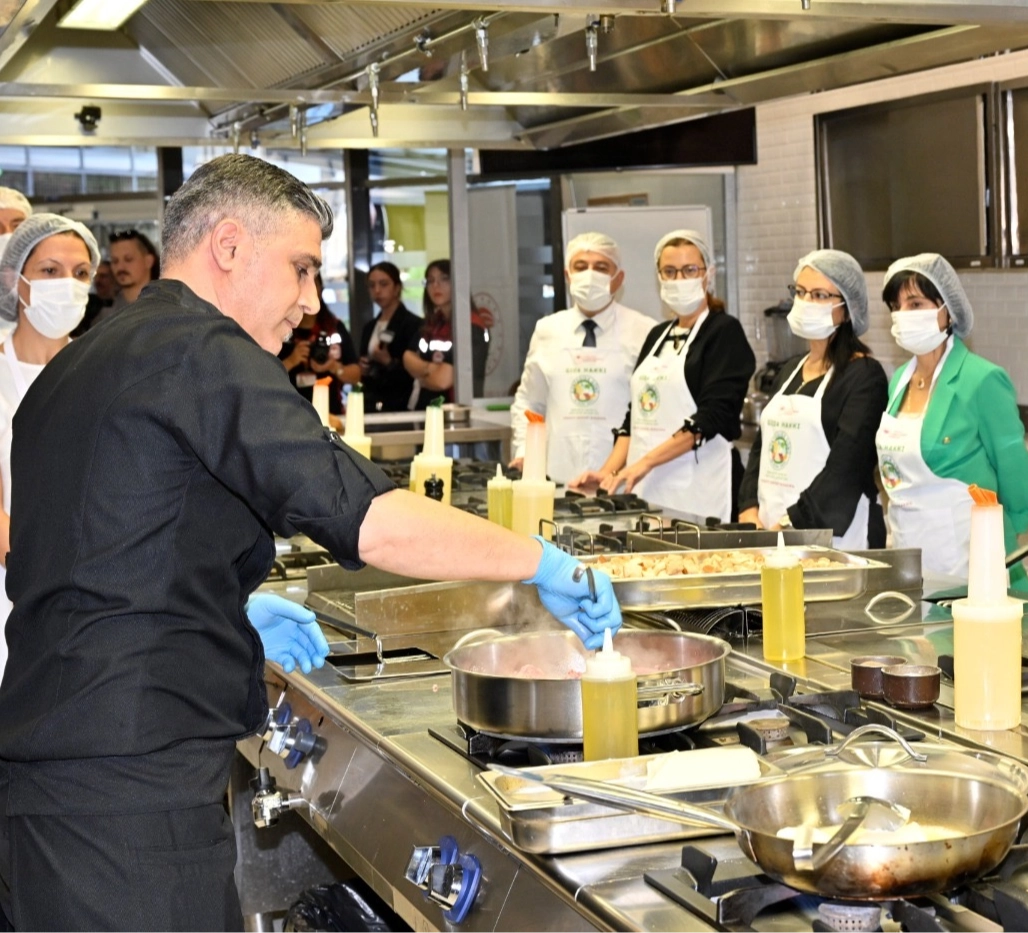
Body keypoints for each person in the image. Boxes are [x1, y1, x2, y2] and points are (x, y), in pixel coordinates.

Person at [0, 154, 619, 933]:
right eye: (299, 269)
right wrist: (539, 562)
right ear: (228, 245)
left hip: (47, 784)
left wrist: (220, 607)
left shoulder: (82, 361)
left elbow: (96, 542)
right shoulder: (201, 350)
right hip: (126, 800)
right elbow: (371, 517)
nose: (309, 300)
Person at [571, 230, 755, 522]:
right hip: (649, 490)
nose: (679, 279)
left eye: (689, 270)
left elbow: (711, 418)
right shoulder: (658, 335)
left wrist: (644, 463)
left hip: (700, 489)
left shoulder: (723, 332)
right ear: (660, 278)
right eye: (670, 271)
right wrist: (608, 473)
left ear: (708, 275)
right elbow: (636, 418)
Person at [877, 253, 1028, 587]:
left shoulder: (981, 379)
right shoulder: (898, 381)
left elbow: (1013, 465)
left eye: (916, 304)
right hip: (908, 550)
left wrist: (1010, 528)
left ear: (946, 310)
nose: (903, 315)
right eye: (897, 306)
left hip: (966, 557)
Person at [0, 215, 99, 681]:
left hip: (98, 597)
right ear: (14, 281)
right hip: (11, 589)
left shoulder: (105, 370)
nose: (68, 285)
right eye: (50, 271)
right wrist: (43, 571)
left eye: (80, 274)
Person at [737, 250, 887, 547]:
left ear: (847, 309)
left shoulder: (864, 377)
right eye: (801, 292)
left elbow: (846, 469)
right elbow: (760, 450)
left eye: (819, 295)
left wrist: (788, 525)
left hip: (831, 542)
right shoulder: (791, 369)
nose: (806, 302)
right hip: (768, 533)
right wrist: (749, 510)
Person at [510, 232, 652, 481]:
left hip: (622, 479)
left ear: (618, 279)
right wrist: (525, 451)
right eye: (580, 267)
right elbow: (530, 403)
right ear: (568, 276)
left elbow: (650, 409)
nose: (589, 275)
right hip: (556, 473)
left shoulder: (644, 331)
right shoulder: (547, 330)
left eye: (601, 267)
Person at [279, 274, 361, 416]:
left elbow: (356, 376)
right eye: (302, 284)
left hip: (332, 414)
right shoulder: (283, 328)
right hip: (290, 416)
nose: (308, 290)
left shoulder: (334, 327)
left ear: (321, 288)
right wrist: (292, 360)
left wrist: (334, 367)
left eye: (313, 284)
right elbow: (263, 376)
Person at [359, 261, 421, 413]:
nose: (377, 290)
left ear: (397, 287)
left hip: (401, 403)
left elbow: (416, 372)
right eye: (372, 285)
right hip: (371, 402)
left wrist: (389, 362)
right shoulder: (369, 327)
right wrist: (363, 367)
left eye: (384, 284)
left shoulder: (413, 324)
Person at [403, 259, 457, 409]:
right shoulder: (431, 323)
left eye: (444, 279)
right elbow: (407, 357)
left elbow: (442, 381)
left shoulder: (465, 325)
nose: (435, 286)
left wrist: (422, 377)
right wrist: (430, 368)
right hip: (423, 407)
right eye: (430, 280)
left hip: (452, 408)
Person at [107, 228, 160, 312]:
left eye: (128, 259)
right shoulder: (106, 314)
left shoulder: (167, 307)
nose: (120, 267)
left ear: (148, 261)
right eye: (115, 261)